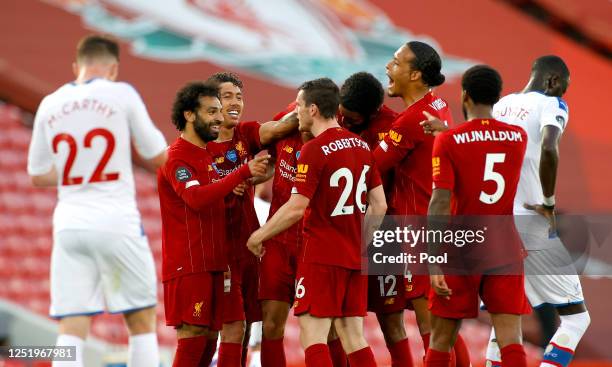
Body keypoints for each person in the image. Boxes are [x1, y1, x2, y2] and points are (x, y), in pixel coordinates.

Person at [27, 34, 167, 367]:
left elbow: (37, 173)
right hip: (115, 221)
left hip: (69, 225)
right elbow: (156, 153)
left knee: (72, 324)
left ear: (76, 66)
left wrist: (80, 174)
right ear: (113, 68)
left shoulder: (50, 103)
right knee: (141, 318)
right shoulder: (120, 94)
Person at [247, 78, 387, 367]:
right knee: (353, 335)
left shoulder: (316, 149)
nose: (293, 112)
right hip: (351, 253)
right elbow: (380, 205)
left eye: (298, 106)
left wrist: (258, 235)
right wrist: (361, 242)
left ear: (312, 109)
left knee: (314, 334)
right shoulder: (361, 146)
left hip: (319, 251)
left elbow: (297, 208)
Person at [486, 56, 590, 367]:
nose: (563, 96)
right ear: (553, 81)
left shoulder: (501, 105)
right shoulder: (552, 105)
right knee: (575, 319)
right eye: (564, 89)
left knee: (506, 315)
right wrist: (548, 201)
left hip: (494, 221)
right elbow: (548, 146)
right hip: (529, 222)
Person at [371, 41, 470, 366]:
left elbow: (369, 167)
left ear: (414, 74)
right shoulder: (437, 104)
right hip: (437, 225)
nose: (388, 66)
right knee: (444, 325)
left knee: (433, 328)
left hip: (420, 231)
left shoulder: (412, 120)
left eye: (396, 62)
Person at [157, 81, 269, 367]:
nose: (219, 118)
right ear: (189, 115)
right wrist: (241, 173)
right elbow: (194, 197)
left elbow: (211, 191)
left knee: (209, 339)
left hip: (213, 263)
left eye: (220, 111)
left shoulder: (206, 155)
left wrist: (233, 184)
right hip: (190, 265)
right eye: (211, 111)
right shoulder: (176, 156)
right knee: (193, 338)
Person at [424, 65, 530, 367]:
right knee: (511, 339)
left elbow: (439, 203)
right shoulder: (517, 137)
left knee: (441, 339)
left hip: (461, 248)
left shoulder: (448, 142)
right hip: (504, 247)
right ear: (497, 97)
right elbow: (485, 147)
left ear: (464, 95)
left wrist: (432, 260)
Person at [204, 72, 299, 366]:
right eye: (227, 96)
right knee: (212, 331)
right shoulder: (197, 144)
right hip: (215, 248)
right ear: (210, 103)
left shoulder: (246, 134)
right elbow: (191, 194)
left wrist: (309, 104)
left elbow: (278, 129)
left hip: (246, 246)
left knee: (242, 327)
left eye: (239, 97)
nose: (235, 102)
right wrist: (232, 179)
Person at [340, 72, 416, 366]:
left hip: (384, 232)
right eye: (343, 117)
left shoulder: (394, 126)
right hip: (344, 229)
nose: (346, 123)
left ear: (371, 113)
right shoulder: (331, 115)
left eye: (353, 120)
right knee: (341, 320)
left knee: (391, 320)